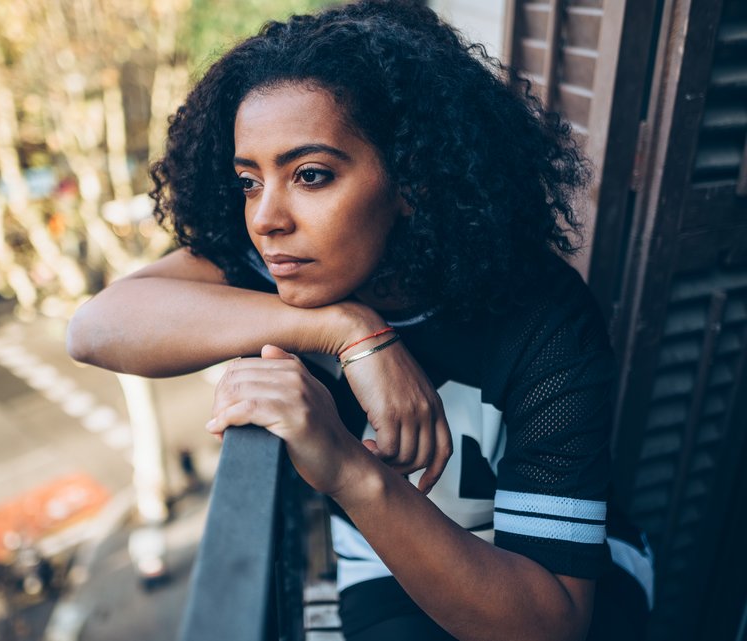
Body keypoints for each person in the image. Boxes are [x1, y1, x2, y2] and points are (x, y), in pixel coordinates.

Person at [67, 1, 653, 639]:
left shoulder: (544, 316)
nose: (266, 218)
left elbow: (551, 623)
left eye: (310, 175)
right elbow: (95, 328)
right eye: (249, 181)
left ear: (412, 178)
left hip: (551, 568)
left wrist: (348, 467)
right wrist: (345, 329)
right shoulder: (280, 268)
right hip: (380, 553)